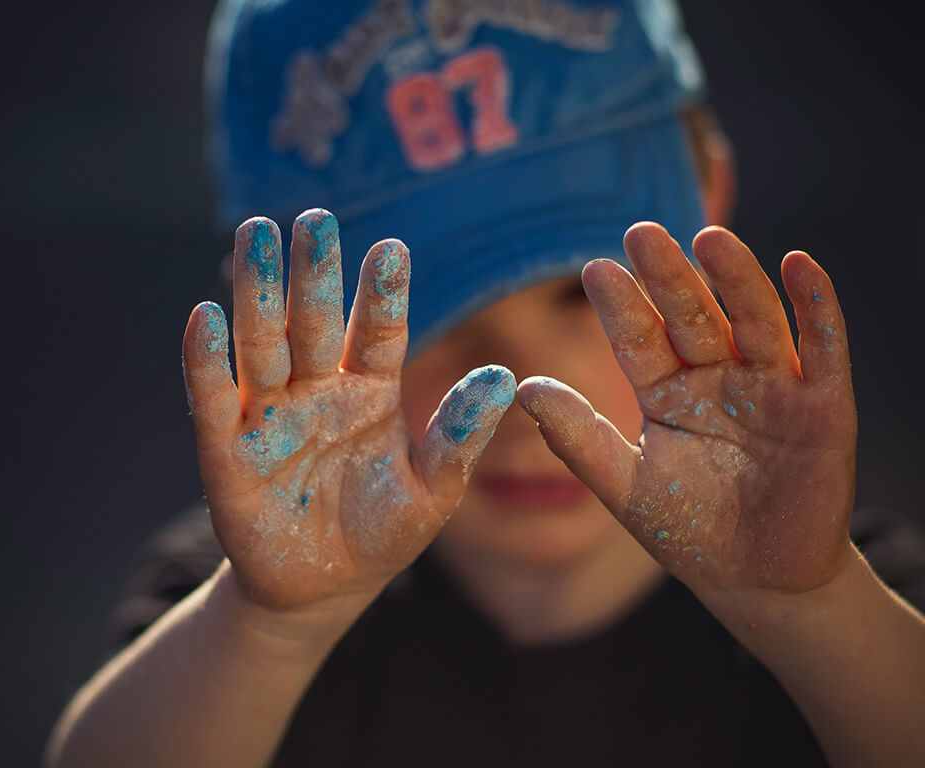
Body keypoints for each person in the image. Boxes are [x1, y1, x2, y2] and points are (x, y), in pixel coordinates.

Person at [45, 1, 925, 766]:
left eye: (583, 295)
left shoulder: (849, 611)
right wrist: (271, 629)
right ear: (279, 312)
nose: (520, 394)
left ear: (710, 197)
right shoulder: (247, 610)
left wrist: (809, 609)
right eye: (421, 310)